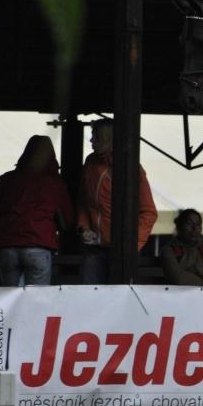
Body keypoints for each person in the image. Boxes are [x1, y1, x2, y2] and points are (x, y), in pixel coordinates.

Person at [0, 135, 73, 286]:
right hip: (39, 245)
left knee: (10, 297)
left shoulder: (6, 179)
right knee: (35, 298)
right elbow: (67, 220)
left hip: (7, 246)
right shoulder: (55, 183)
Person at [76, 119, 158, 283]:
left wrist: (131, 246)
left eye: (96, 137)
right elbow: (83, 201)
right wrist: (84, 228)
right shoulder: (90, 163)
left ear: (109, 140)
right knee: (88, 294)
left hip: (121, 252)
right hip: (94, 248)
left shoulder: (131, 168)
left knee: (118, 294)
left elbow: (149, 212)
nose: (91, 140)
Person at [161, 209, 203, 285]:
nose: (194, 229)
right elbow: (178, 278)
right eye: (189, 223)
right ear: (179, 226)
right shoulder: (169, 251)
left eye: (198, 224)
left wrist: (192, 271)